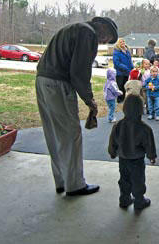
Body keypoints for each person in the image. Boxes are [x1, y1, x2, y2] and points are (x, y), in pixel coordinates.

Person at [36, 16, 118, 196]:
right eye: (107, 37)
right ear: (101, 26)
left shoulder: (73, 27)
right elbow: (79, 71)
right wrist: (90, 100)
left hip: (42, 81)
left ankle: (62, 181)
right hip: (58, 84)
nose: (104, 41)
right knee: (71, 134)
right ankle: (74, 185)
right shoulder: (87, 33)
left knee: (54, 134)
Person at [108, 94, 157, 210]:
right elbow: (149, 145)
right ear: (141, 109)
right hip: (137, 160)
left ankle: (124, 199)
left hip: (123, 159)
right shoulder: (145, 128)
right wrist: (151, 156)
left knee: (124, 179)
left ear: (125, 108)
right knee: (138, 180)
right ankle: (139, 201)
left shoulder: (118, 125)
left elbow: (113, 141)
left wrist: (112, 152)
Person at [113, 38, 134, 103]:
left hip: (127, 72)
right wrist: (124, 67)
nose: (122, 43)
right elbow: (116, 63)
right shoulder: (116, 52)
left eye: (123, 41)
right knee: (120, 86)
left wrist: (132, 68)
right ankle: (119, 100)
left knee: (126, 85)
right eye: (121, 42)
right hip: (120, 72)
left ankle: (124, 98)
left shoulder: (127, 51)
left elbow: (130, 60)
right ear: (118, 44)